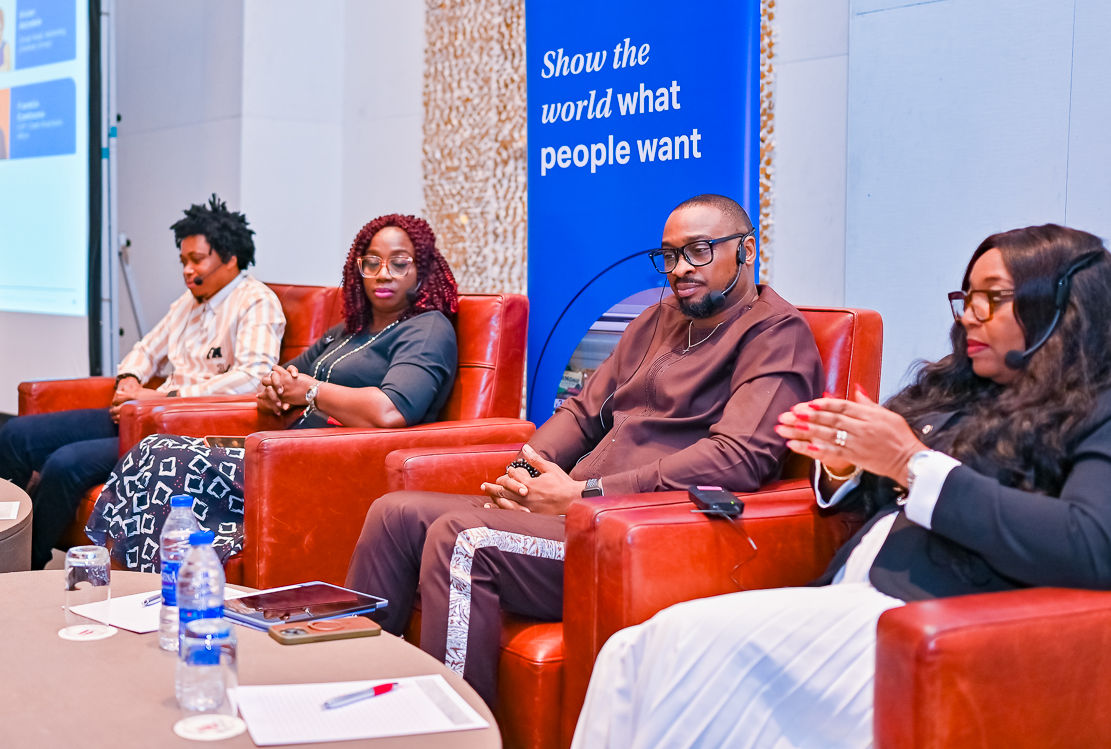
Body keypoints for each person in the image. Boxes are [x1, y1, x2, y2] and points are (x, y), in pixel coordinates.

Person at [570, 224, 1111, 749]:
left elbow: (1097, 548)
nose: (969, 316)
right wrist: (844, 464)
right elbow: (886, 479)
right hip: (854, 596)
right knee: (630, 652)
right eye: (967, 297)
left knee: (681, 649)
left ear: (1064, 309)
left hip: (943, 624)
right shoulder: (957, 387)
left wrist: (912, 463)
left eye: (993, 299)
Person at [346, 194, 824, 708]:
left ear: (746, 250)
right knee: (394, 514)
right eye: (670, 255)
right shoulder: (658, 318)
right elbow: (582, 411)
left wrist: (586, 494)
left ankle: (452, 733)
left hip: (637, 533)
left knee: (464, 539)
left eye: (699, 251)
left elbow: (738, 457)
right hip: (575, 510)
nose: (681, 268)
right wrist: (526, 471)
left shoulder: (776, 334)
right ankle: (355, 698)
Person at [85, 213, 461, 570]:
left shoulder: (427, 329)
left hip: (331, 468)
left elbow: (391, 411)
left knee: (165, 456)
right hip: (286, 450)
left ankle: (164, 585)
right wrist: (274, 389)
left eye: (399, 263)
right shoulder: (350, 330)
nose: (383, 273)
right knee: (153, 449)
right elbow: (286, 374)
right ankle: (143, 582)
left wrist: (309, 391)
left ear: (422, 269)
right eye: (372, 263)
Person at [0, 196, 284, 571]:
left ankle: (18, 566)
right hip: (142, 413)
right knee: (16, 435)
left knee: (64, 463)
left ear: (230, 258)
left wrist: (166, 397)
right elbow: (146, 350)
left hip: (181, 430)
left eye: (197, 260)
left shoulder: (256, 302)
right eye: (183, 260)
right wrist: (129, 380)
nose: (187, 270)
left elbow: (252, 379)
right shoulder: (189, 302)